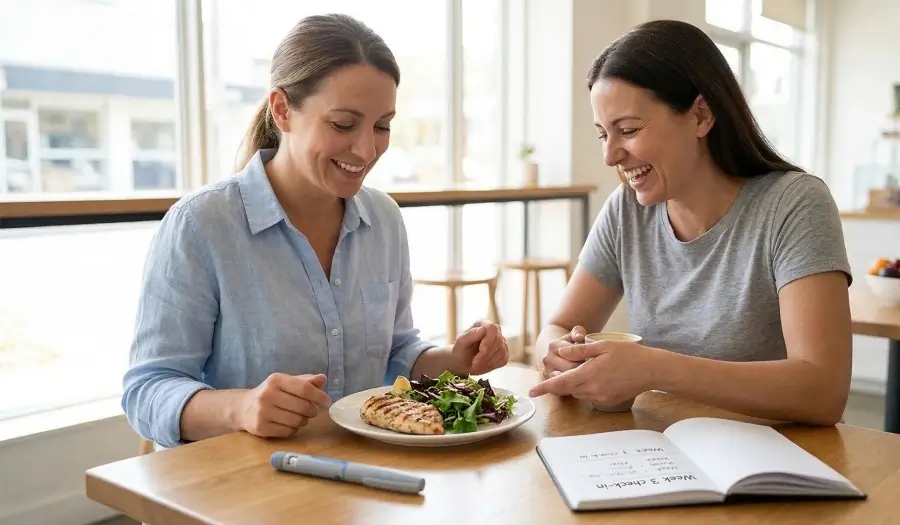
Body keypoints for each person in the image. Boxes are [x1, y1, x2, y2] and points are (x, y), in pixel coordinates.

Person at [122, 13, 509, 449]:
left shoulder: (383, 219)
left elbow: (396, 353)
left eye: (382, 125)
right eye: (343, 124)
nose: (367, 149)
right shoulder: (201, 225)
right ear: (283, 110)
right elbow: (147, 390)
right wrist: (241, 408)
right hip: (236, 491)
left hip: (359, 479)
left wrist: (453, 360)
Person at [529, 19, 852, 427]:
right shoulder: (626, 210)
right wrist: (557, 350)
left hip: (774, 463)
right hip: (665, 451)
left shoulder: (794, 204)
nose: (611, 156)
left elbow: (824, 391)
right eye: (602, 135)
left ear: (700, 116)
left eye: (628, 130)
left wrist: (654, 369)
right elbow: (556, 326)